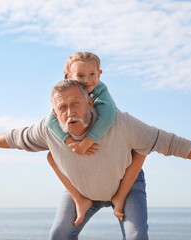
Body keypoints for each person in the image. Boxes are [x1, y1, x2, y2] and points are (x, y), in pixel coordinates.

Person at [0, 80, 191, 240]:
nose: (69, 112)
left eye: (75, 103)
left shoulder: (121, 123)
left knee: (136, 236)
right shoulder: (47, 129)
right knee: (58, 235)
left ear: (90, 102)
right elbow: (14, 138)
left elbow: (171, 143)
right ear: (54, 111)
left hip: (126, 188)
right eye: (62, 107)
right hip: (82, 192)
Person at [45, 51, 146, 225]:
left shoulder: (101, 91)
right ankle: (81, 200)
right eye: (80, 75)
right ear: (68, 77)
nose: (87, 80)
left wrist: (86, 142)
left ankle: (120, 197)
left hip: (121, 161)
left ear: (99, 74)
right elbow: (50, 120)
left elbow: (107, 117)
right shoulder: (67, 94)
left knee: (139, 149)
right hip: (91, 173)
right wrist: (71, 143)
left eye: (92, 74)